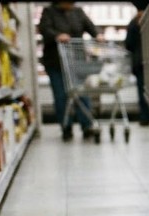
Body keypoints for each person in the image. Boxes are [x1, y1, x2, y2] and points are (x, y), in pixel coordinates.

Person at [38, 1, 103, 140]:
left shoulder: (78, 12)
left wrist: (97, 34)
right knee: (61, 95)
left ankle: (87, 125)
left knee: (81, 93)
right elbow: (44, 29)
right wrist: (57, 35)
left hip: (76, 61)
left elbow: (90, 26)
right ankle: (66, 126)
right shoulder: (48, 12)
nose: (70, 5)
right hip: (55, 62)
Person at [124, 2, 149, 126]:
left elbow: (128, 44)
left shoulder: (133, 23)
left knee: (142, 91)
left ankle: (145, 116)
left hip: (139, 62)